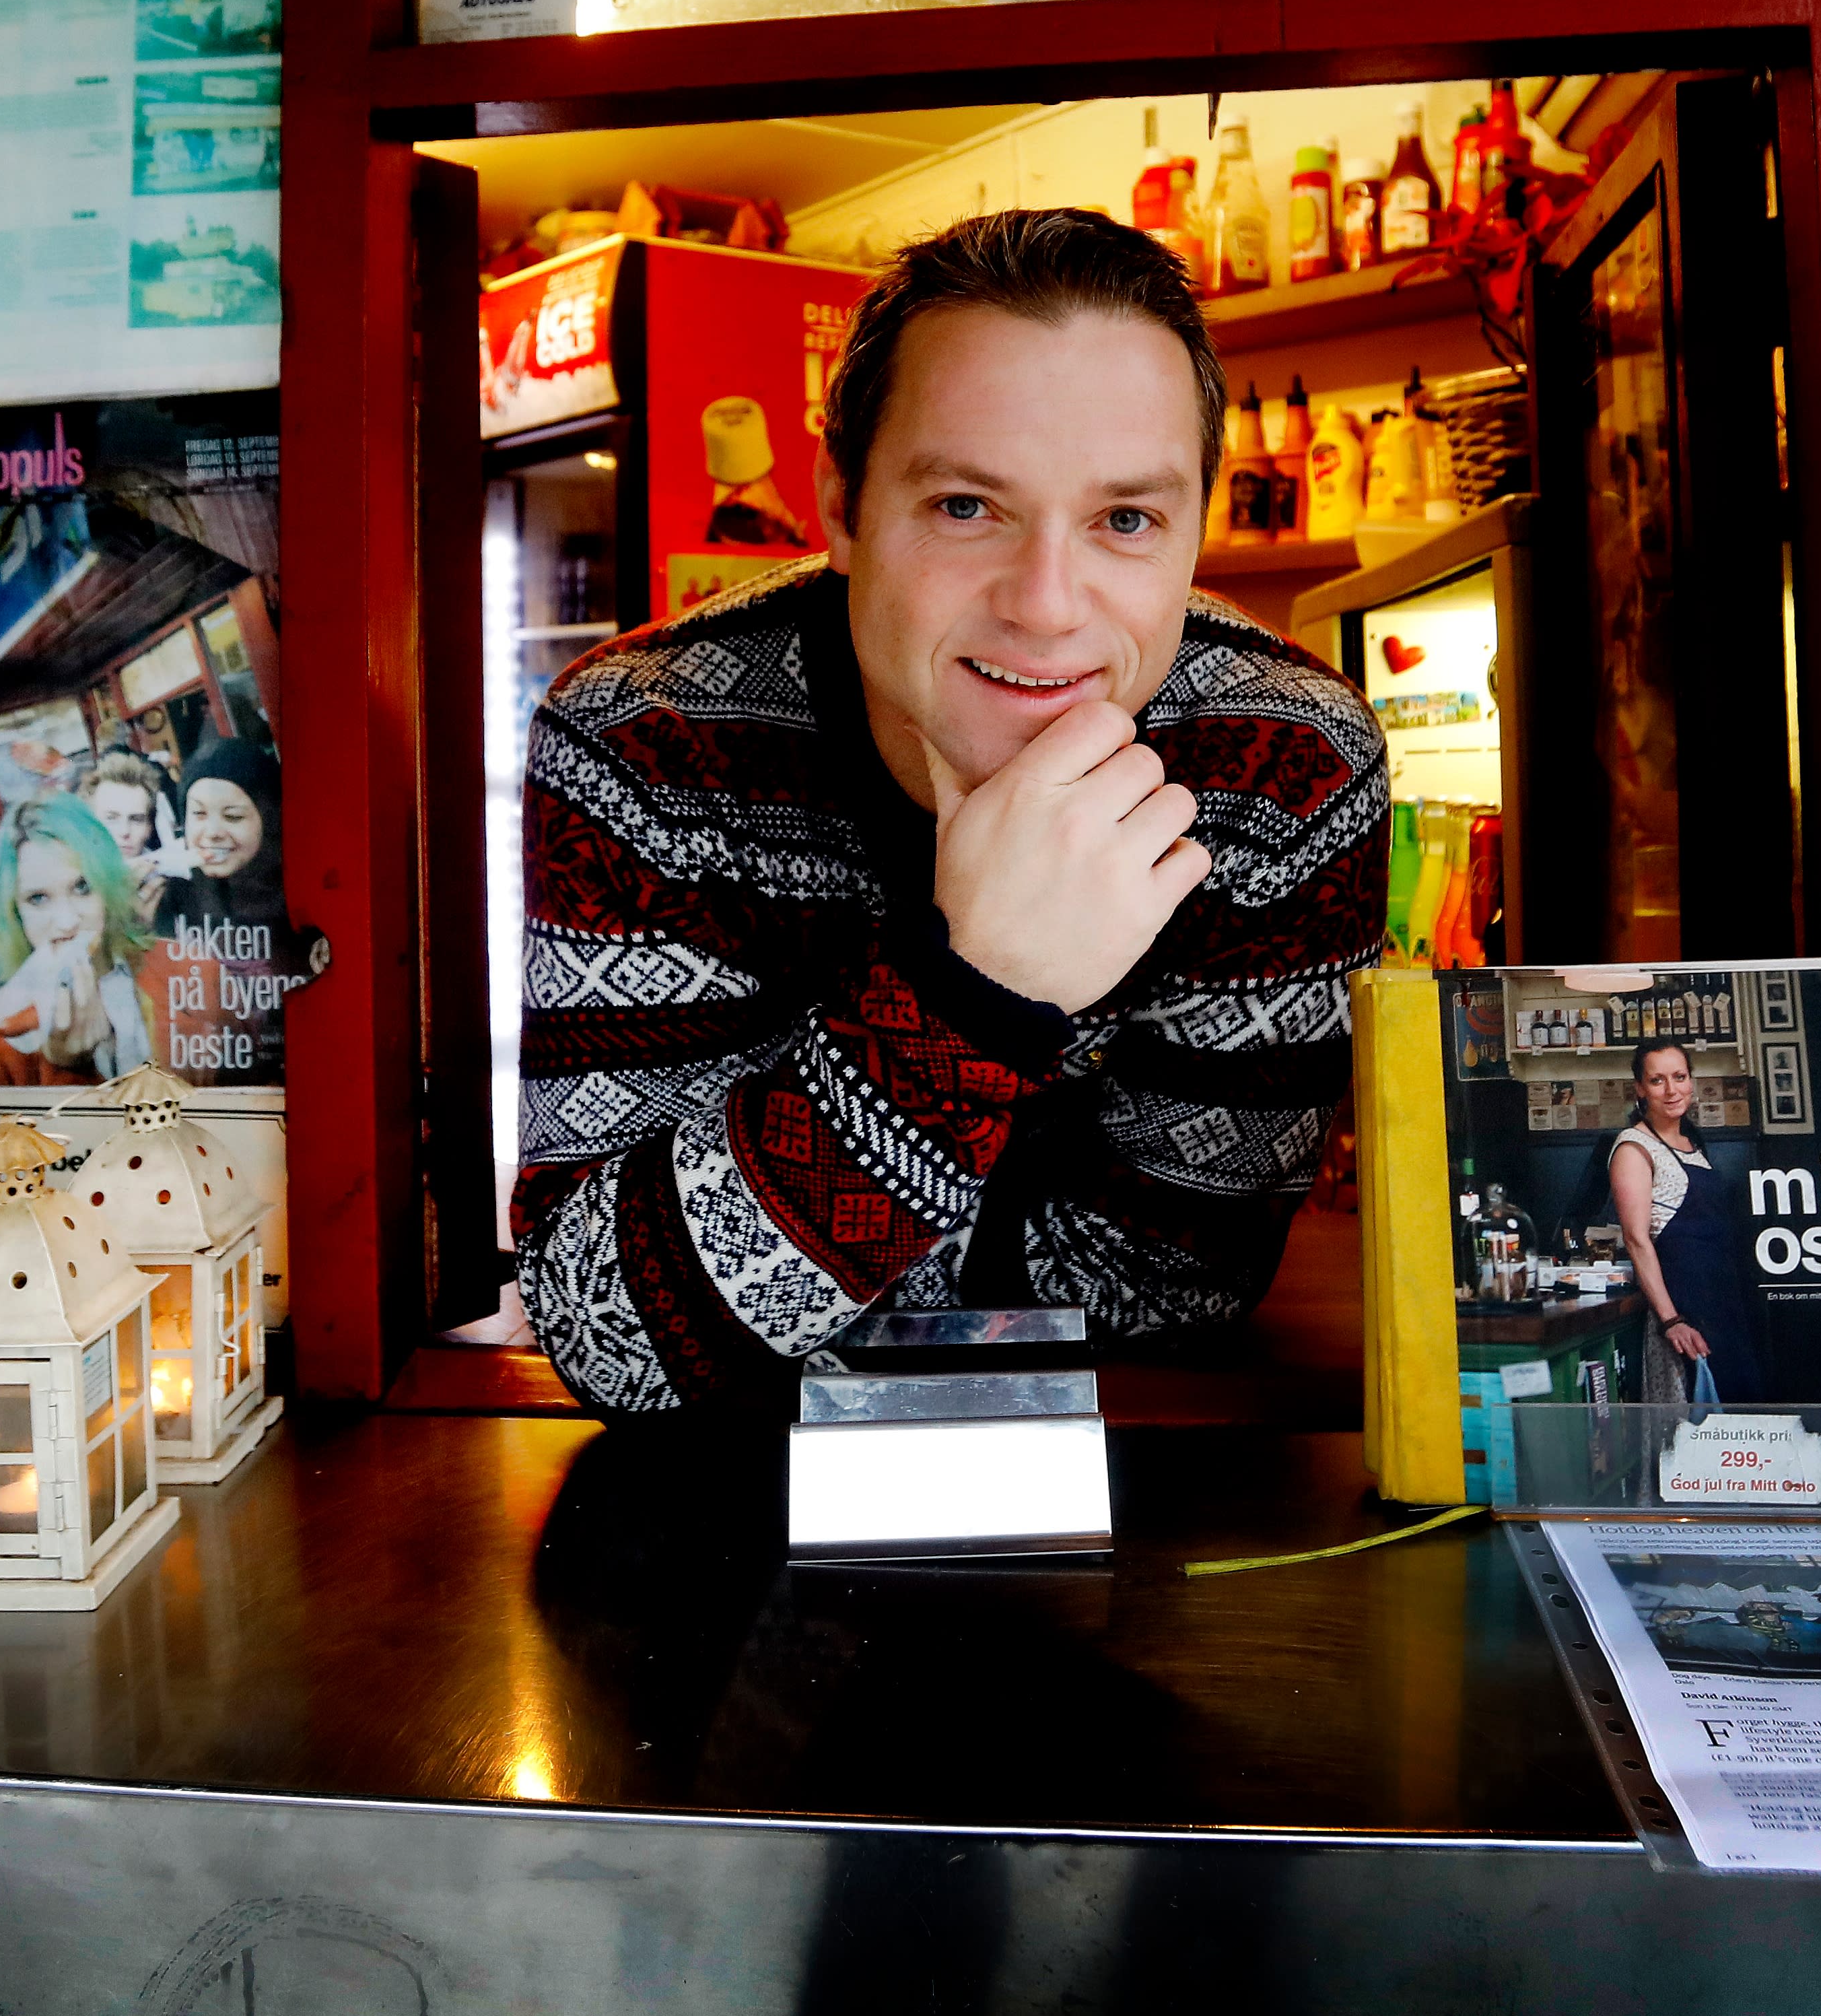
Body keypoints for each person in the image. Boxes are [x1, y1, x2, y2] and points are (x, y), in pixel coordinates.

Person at [516, 207, 1390, 1416]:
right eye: (966, 506)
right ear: (841, 504)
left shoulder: (1285, 771)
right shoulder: (646, 743)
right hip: (715, 1499)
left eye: (1124, 521)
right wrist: (971, 993)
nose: (1046, 605)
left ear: (1195, 532)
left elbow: (1171, 1288)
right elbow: (611, 1331)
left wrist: (781, 1248)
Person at [0, 795, 158, 1085]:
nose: (67, 922)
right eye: (38, 899)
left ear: (108, 885)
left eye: (82, 887)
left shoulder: (185, 972)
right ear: (15, 913)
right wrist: (69, 1068)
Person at [1605, 1038, 1756, 1409]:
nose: (1672, 1090)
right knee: (1697, 1419)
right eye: (1657, 1081)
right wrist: (1671, 1320)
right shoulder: (1633, 1148)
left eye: (1680, 1077)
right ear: (1641, 1089)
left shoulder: (1693, 1143)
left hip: (1722, 1301)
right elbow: (1637, 1239)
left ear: (1691, 1080)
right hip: (1684, 1308)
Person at [151, 736, 301, 1080]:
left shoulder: (302, 898)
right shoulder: (168, 895)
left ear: (269, 819)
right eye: (199, 814)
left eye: (233, 816)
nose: (213, 832)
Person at [77, 747, 187, 931]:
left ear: (149, 827)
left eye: (136, 819)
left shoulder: (172, 881)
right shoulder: (74, 884)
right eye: (111, 819)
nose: (124, 831)